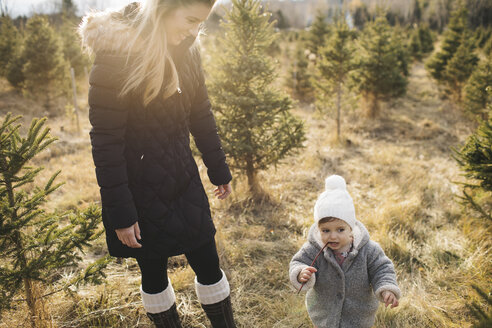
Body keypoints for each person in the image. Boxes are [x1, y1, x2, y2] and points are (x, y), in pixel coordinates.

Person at [79, 1, 236, 327]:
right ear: (164, 8)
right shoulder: (115, 57)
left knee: (208, 261)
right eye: (190, 20)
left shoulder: (188, 50)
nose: (195, 31)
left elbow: (201, 114)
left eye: (201, 23)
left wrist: (218, 168)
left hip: (183, 181)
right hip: (139, 195)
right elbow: (106, 145)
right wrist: (122, 213)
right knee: (153, 271)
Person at [289, 175, 401, 328]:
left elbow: (382, 269)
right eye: (326, 230)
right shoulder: (314, 248)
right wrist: (301, 273)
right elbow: (298, 262)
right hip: (324, 314)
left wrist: (387, 288)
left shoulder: (368, 250)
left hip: (358, 316)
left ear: (351, 229)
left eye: (340, 229)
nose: (333, 236)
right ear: (318, 229)